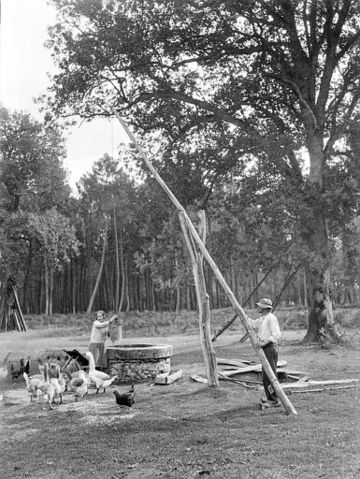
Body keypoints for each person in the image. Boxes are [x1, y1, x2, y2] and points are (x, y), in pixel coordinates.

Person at [247, 298, 281, 407]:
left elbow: (277, 334)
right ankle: (270, 397)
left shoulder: (271, 318)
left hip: (269, 348)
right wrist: (242, 315)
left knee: (270, 374)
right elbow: (252, 324)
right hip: (265, 348)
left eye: (259, 306)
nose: (258, 307)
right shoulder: (262, 318)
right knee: (265, 374)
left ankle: (275, 400)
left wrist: (263, 343)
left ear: (265, 308)